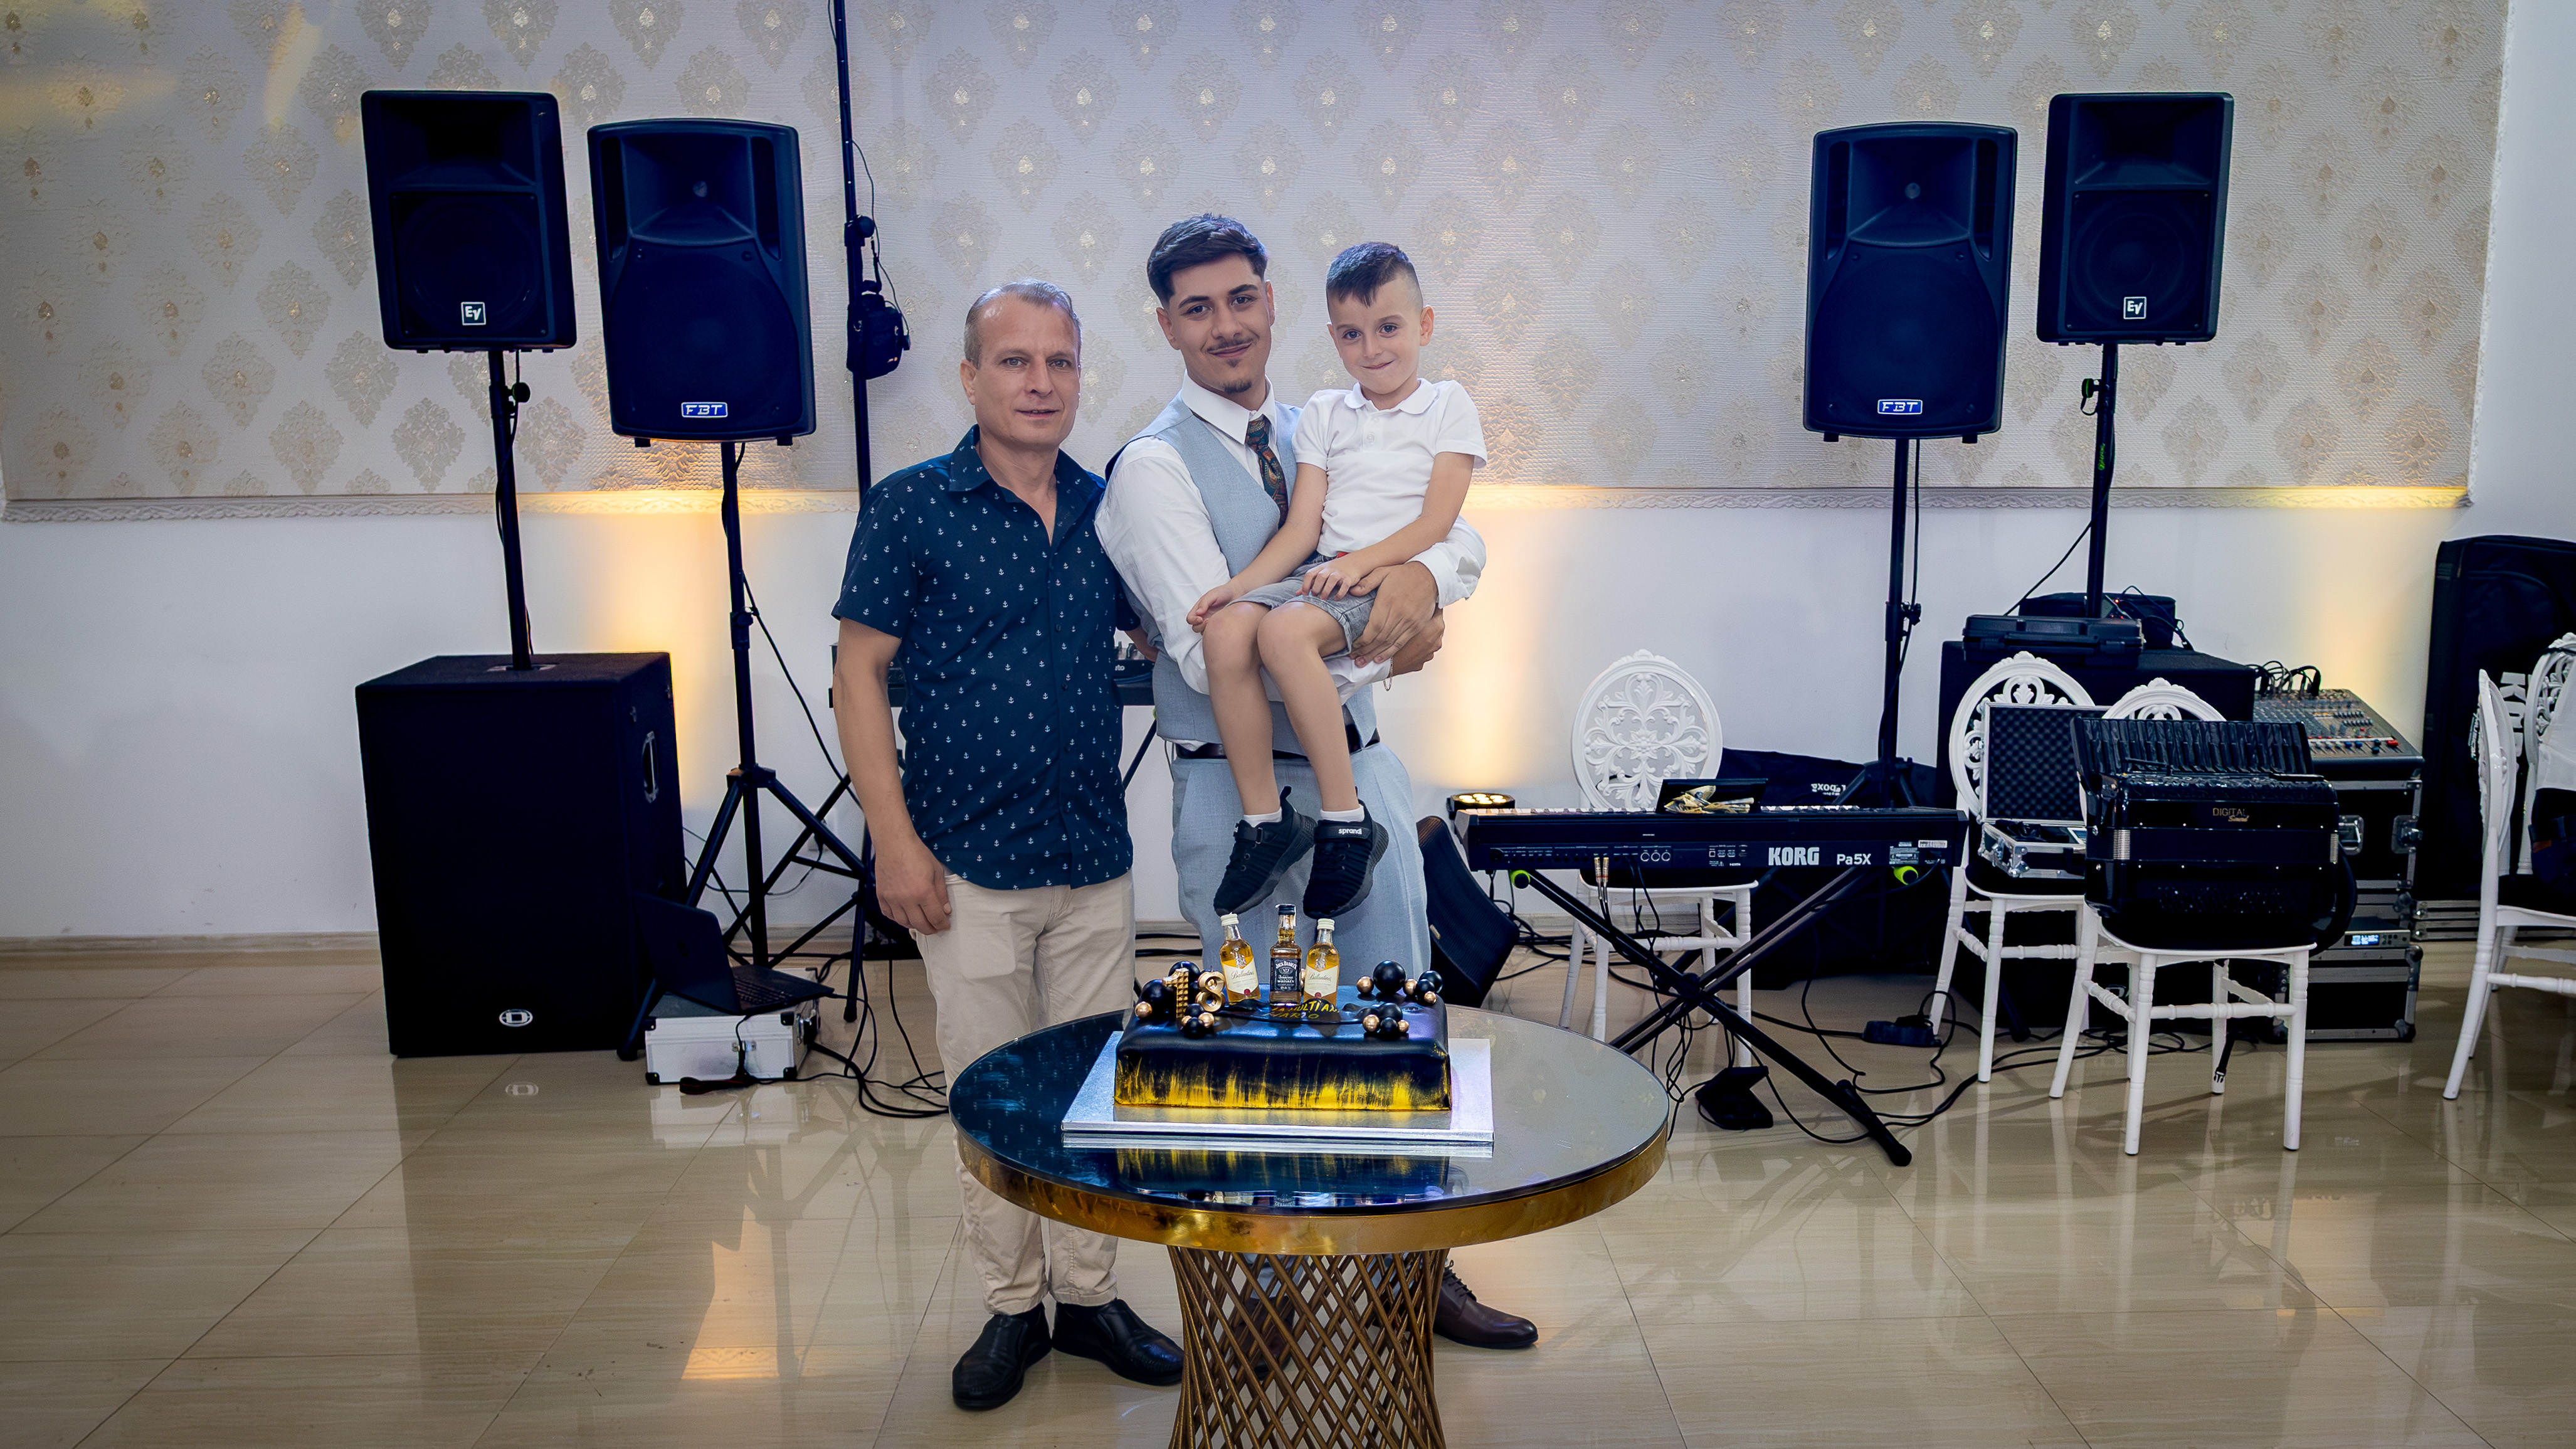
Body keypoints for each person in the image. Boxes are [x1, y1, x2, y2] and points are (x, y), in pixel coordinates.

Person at [1097, 215, 1538, 1351]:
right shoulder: (1151, 467)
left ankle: (1413, 1273)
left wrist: (1426, 580)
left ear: (1271, 303)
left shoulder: (1326, 424)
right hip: (1243, 795)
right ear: (1166, 326)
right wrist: (1390, 632)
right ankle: (1267, 1284)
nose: (1226, 324)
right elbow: (1211, 648)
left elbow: (1457, 534)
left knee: (1397, 1030)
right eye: (1198, 308)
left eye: (1242, 298)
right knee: (1261, 1046)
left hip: (1361, 770)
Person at [831, 279, 1184, 1411]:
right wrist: (893, 843)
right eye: (1016, 361)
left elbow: (1178, 623)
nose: (1041, 382)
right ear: (970, 378)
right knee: (990, 1094)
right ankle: (1010, 1306)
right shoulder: (910, 507)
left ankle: (1087, 1296)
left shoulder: (1106, 508)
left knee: (1091, 1088)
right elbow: (857, 676)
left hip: (1091, 855)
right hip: (962, 861)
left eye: (1060, 362)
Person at [1185, 241, 1486, 921]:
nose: (1371, 349)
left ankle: (1346, 821)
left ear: (1424, 325)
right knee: (1228, 631)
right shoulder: (1324, 413)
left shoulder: (1447, 406)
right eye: (1351, 334)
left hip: (1377, 579)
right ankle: (1265, 821)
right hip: (1325, 573)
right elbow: (1301, 530)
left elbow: (1438, 521)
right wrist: (1237, 588)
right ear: (1333, 337)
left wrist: (1361, 564)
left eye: (1388, 328)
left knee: (1285, 636)